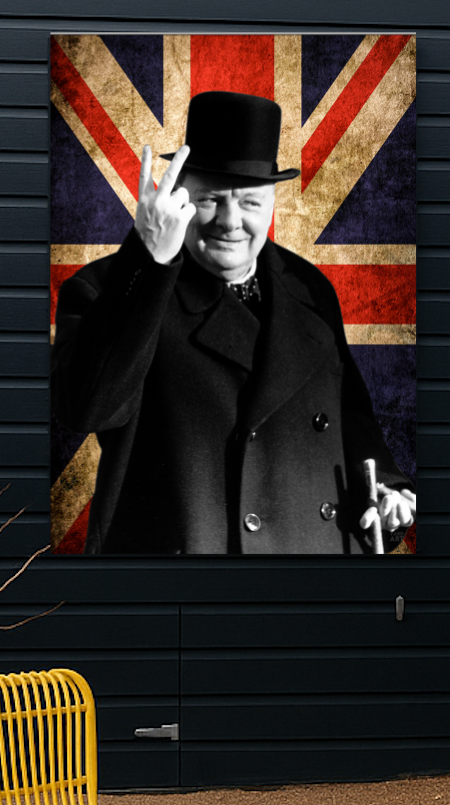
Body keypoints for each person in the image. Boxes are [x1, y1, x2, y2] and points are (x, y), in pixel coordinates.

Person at [51, 91, 415, 554]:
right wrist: (149, 260)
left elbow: (350, 419)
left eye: (249, 202)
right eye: (210, 199)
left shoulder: (311, 289)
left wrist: (382, 490)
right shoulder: (110, 286)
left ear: (272, 206)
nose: (230, 221)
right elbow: (85, 409)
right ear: (179, 196)